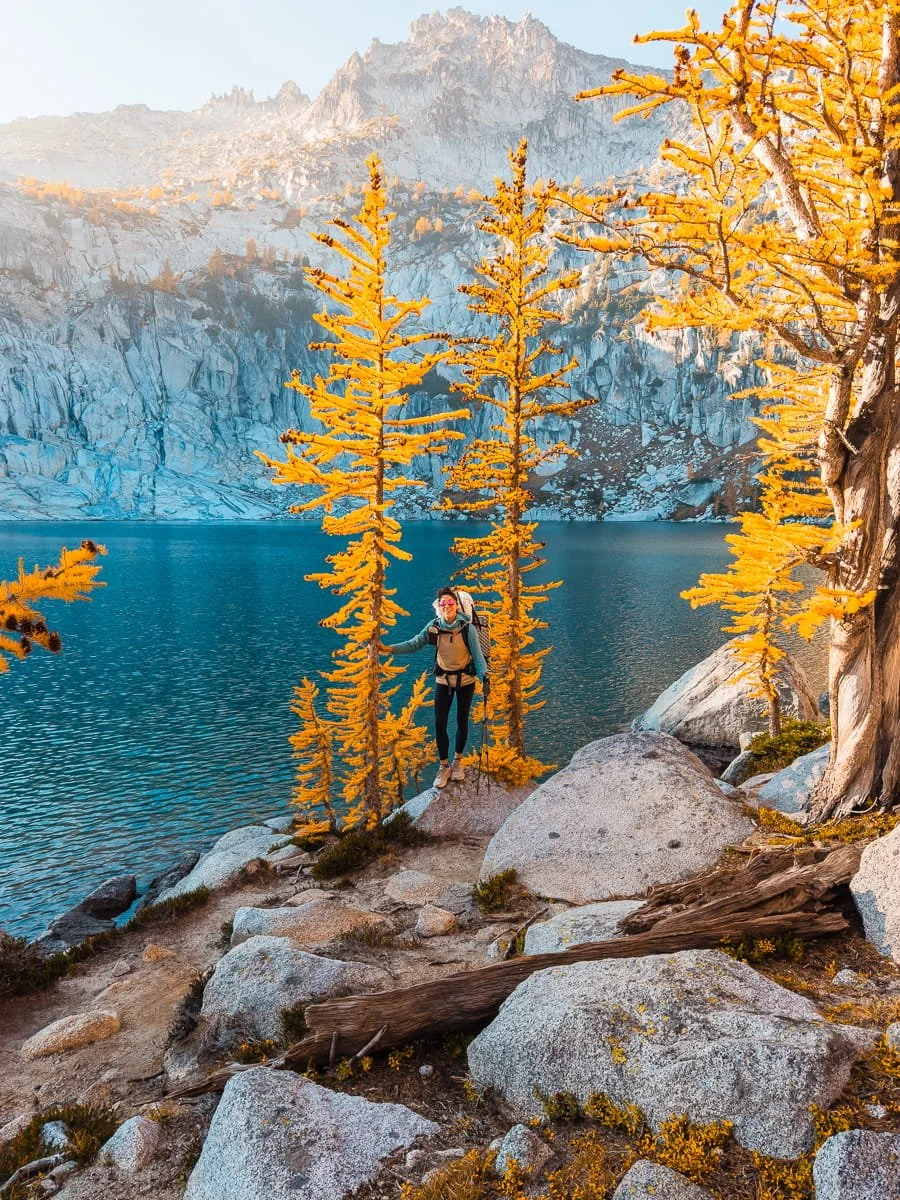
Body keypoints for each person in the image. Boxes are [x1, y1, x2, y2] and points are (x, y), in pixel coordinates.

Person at [383, 587, 489, 788]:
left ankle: (457, 762)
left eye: (450, 603)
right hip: (443, 680)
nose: (447, 606)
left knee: (461, 721)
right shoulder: (434, 627)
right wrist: (388, 649)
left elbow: (477, 656)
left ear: (456, 605)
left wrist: (485, 678)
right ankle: (444, 765)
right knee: (440, 723)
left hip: (466, 680)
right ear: (438, 607)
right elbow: (415, 643)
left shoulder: (468, 628)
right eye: (443, 603)